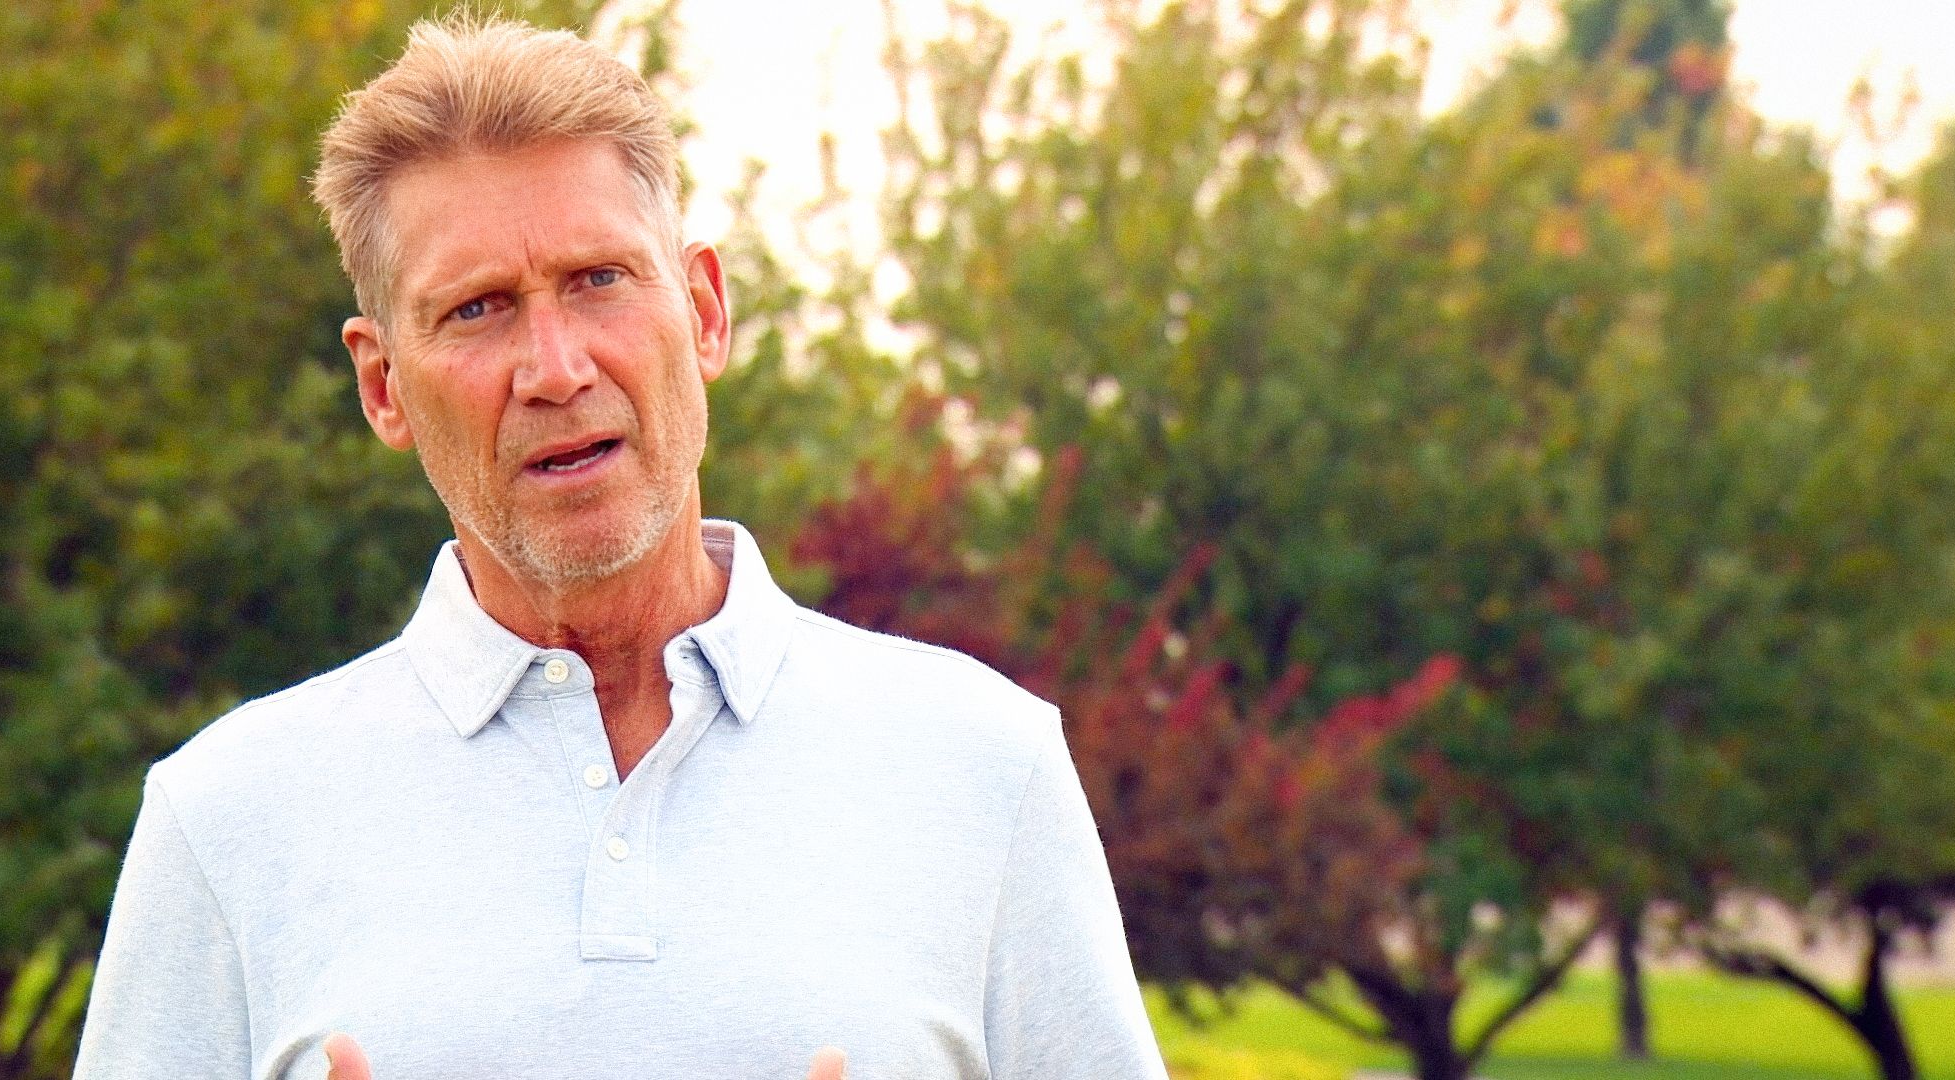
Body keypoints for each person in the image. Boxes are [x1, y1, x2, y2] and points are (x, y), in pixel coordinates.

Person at [72, 13, 1166, 1080]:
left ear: (703, 310)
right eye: (477, 310)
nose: (554, 367)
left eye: (598, 279)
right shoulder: (223, 818)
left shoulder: (985, 766)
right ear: (381, 385)